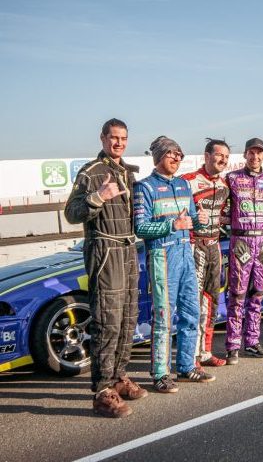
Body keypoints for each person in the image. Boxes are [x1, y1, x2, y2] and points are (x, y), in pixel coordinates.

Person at [65, 118, 147, 418]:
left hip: (128, 249)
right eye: (113, 137)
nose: (118, 143)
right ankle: (102, 392)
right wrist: (99, 197)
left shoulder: (128, 172)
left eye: (123, 138)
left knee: (127, 319)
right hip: (105, 250)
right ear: (102, 138)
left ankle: (118, 377)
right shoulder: (91, 172)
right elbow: (72, 213)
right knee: (107, 321)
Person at [134, 136, 215, 393]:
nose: (177, 159)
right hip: (162, 256)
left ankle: (186, 366)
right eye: (171, 154)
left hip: (185, 254)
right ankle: (160, 373)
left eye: (179, 155)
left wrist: (200, 220)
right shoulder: (144, 187)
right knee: (163, 318)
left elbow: (191, 220)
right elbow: (140, 228)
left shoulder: (183, 185)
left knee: (191, 313)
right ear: (158, 156)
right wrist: (172, 225)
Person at [224, 137, 263, 364]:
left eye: (259, 153)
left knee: (258, 294)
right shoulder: (232, 178)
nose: (255, 157)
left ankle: (252, 342)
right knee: (237, 295)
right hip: (240, 241)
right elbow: (222, 210)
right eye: (251, 152)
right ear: (245, 155)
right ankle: (232, 346)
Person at [182, 139, 231, 367]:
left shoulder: (224, 185)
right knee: (194, 302)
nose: (223, 160)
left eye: (226, 157)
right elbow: (173, 213)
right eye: (219, 155)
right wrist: (192, 219)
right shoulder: (188, 181)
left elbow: (225, 214)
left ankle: (205, 352)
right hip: (194, 246)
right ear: (207, 156)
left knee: (212, 299)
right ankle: (190, 357)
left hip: (214, 246)